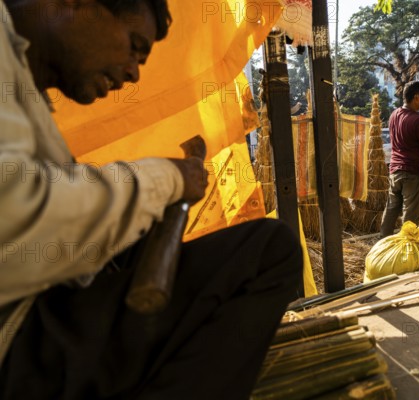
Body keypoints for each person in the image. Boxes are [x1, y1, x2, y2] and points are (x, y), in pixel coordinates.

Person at [0, 0, 302, 398]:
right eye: (134, 46)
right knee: (268, 250)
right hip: (17, 348)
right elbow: (17, 225)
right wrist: (168, 179)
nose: (132, 72)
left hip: (43, 315)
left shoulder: (26, 85)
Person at [380, 81, 419, 237]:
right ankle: (407, 246)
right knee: (410, 214)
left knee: (391, 209)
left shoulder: (394, 114)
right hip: (413, 172)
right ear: (416, 97)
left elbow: (407, 132)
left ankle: (382, 241)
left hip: (395, 170)